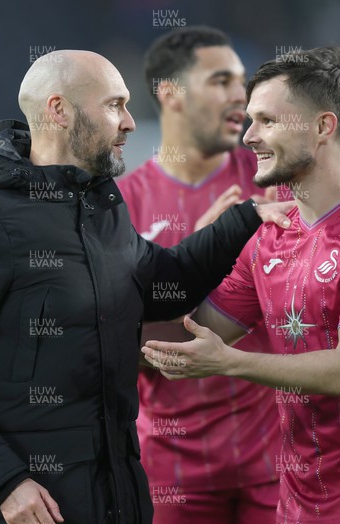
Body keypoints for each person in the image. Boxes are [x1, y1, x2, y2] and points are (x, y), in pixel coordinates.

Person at [0, 50, 290, 524]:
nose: (129, 122)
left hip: (110, 498)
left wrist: (245, 219)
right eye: (114, 105)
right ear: (59, 111)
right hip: (17, 508)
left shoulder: (102, 209)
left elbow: (166, 284)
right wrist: (5, 483)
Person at [143, 46, 340, 523]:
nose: (249, 136)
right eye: (250, 119)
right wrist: (198, 254)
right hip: (298, 503)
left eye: (267, 120)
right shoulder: (269, 235)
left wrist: (230, 363)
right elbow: (181, 338)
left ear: (323, 127)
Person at [117, 26, 279, 523]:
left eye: (242, 81)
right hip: (171, 467)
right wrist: (198, 257)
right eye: (221, 80)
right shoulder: (120, 204)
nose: (240, 94)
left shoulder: (273, 181)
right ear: (171, 94)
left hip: (276, 458)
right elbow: (115, 342)